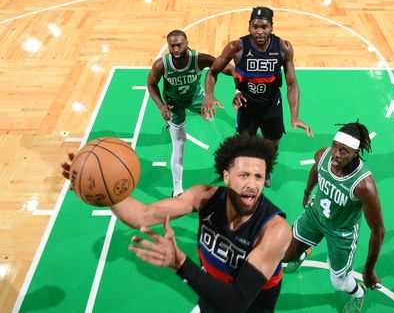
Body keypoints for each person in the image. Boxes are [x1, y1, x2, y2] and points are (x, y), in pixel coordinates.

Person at [60, 134, 292, 313]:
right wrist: (103, 190)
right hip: (209, 298)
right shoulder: (204, 197)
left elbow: (237, 302)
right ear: (226, 176)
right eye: (244, 175)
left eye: (258, 176)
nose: (252, 184)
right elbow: (144, 215)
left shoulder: (274, 230)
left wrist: (180, 263)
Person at [202, 7, 313, 186]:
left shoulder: (283, 48)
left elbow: (292, 83)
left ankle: (265, 169)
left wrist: (294, 116)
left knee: (273, 143)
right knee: (245, 144)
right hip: (247, 106)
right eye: (255, 26)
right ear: (249, 27)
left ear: (271, 27)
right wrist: (209, 94)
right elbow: (213, 71)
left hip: (272, 105)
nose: (260, 31)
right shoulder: (236, 47)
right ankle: (246, 171)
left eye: (264, 26)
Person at [283, 121, 385, 313]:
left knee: (339, 283)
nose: (336, 154)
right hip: (315, 216)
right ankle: (302, 253)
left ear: (355, 153)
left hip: (341, 232)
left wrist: (369, 270)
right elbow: (316, 170)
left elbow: (378, 231)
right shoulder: (323, 156)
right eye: (335, 147)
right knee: (286, 254)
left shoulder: (364, 185)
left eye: (344, 151)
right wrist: (307, 193)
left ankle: (358, 294)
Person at [147, 30, 233, 196]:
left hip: (195, 98)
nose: (176, 49)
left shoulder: (198, 59)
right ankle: (177, 189)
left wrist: (237, 74)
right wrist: (161, 106)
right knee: (179, 144)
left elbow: (221, 66)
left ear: (187, 43)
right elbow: (151, 84)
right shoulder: (161, 65)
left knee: (212, 120)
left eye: (179, 44)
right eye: (172, 45)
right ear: (168, 46)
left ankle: (226, 159)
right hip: (174, 104)